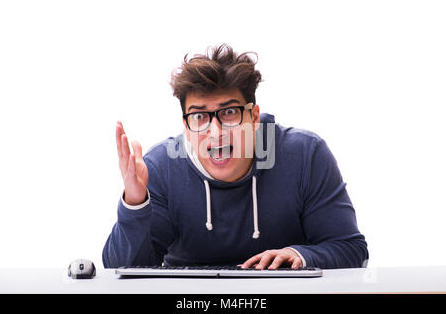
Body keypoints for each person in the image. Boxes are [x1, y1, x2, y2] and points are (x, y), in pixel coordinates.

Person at [102, 44, 368, 269]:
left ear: (253, 117)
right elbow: (121, 270)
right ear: (186, 126)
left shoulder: (305, 155)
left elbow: (351, 249)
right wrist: (135, 203)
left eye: (229, 113)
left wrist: (302, 255)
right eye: (199, 116)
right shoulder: (162, 167)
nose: (216, 133)